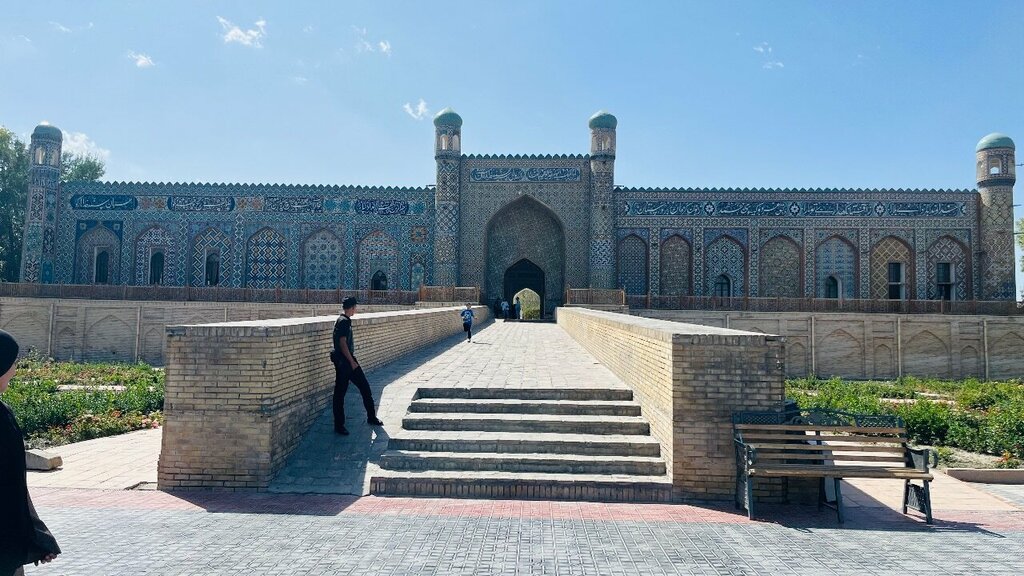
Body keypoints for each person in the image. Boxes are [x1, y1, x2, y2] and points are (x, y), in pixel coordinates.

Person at [1, 330, 61, 576]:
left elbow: (13, 484)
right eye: (12, 363)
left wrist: (35, 536)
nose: (14, 371)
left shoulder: (3, 413)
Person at [330, 297, 383, 436]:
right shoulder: (344, 322)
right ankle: (341, 425)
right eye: (355, 307)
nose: (356, 310)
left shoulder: (341, 320)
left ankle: (367, 418)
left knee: (342, 394)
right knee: (357, 389)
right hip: (346, 362)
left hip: (344, 361)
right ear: (352, 308)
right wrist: (352, 362)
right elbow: (342, 343)